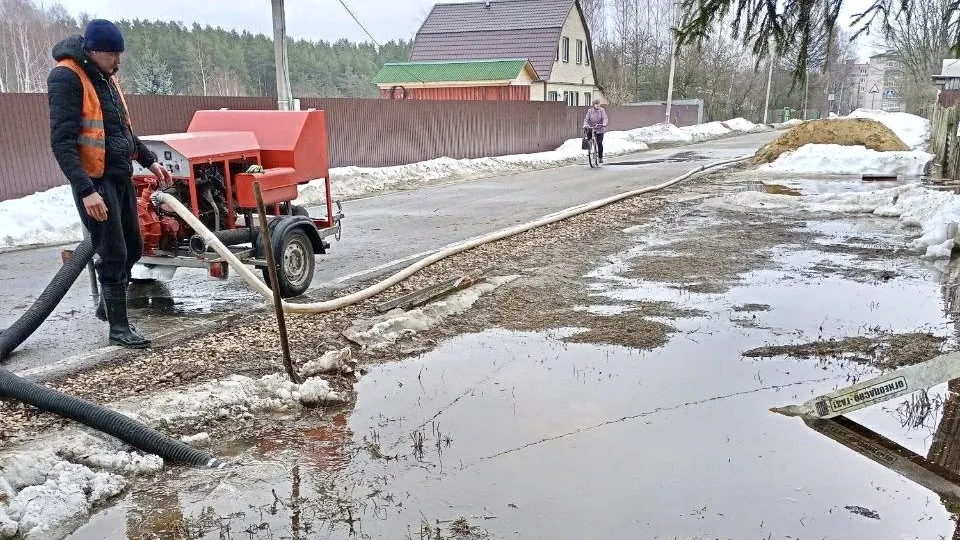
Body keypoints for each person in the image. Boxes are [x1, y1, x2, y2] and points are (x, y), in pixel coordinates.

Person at [47, 19, 173, 349]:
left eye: (120, 55)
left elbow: (123, 132)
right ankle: (119, 328)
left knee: (132, 245)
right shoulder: (67, 78)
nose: (118, 62)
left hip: (119, 176)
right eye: (113, 55)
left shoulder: (106, 79)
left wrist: (149, 160)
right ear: (94, 52)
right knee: (114, 251)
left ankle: (108, 301)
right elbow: (61, 142)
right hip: (94, 182)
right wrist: (86, 190)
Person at [583, 99, 608, 163]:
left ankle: (600, 157)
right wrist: (585, 125)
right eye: (596, 104)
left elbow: (604, 118)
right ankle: (589, 150)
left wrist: (604, 123)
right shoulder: (590, 111)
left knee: (599, 143)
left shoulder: (602, 110)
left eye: (598, 104)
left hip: (600, 128)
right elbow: (586, 119)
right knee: (587, 139)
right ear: (593, 105)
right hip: (592, 128)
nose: (598, 105)